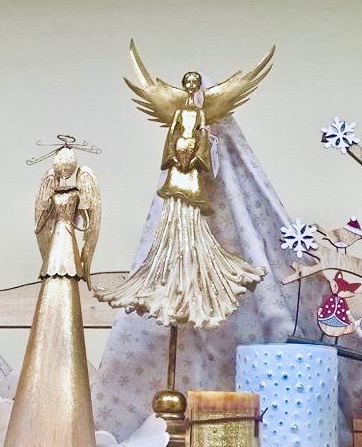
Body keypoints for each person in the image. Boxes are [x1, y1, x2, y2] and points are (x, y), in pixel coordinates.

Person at [95, 71, 266, 330]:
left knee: (190, 215)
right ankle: (166, 276)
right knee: (174, 214)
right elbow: (173, 134)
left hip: (191, 164)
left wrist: (198, 156)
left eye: (195, 83)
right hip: (178, 163)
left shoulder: (199, 113)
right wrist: (173, 156)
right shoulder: (179, 112)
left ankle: (197, 276)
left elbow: (203, 134)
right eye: (189, 83)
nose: (191, 86)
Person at [3, 146, 100, 447]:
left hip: (67, 243)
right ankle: (32, 435)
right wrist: (42, 220)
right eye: (59, 166)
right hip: (57, 241)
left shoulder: (80, 189)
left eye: (65, 165)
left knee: (64, 298)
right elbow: (42, 219)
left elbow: (88, 221)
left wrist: (82, 230)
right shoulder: (52, 190)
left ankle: (69, 437)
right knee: (51, 293)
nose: (62, 170)